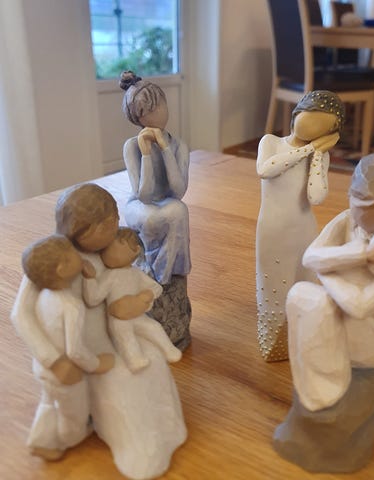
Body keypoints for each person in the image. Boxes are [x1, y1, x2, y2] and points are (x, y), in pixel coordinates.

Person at [55, 183, 187, 479]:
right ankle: (139, 445)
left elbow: (144, 285)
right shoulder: (64, 262)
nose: (116, 226)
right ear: (80, 229)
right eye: (107, 224)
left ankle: (167, 429)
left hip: (122, 327)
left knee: (155, 360)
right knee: (126, 382)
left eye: (114, 218)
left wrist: (140, 301)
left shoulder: (110, 253)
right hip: (89, 347)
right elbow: (83, 303)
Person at [286, 151, 374, 412]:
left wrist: (326, 272)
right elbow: (310, 257)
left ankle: (328, 389)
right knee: (299, 295)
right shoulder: (347, 220)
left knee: (317, 303)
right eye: (358, 208)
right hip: (338, 312)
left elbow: (360, 306)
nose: (362, 221)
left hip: (372, 333)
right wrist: (359, 253)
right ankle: (319, 385)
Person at [256, 91, 345, 361]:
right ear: (297, 113)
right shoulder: (270, 142)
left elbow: (316, 196)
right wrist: (309, 149)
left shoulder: (320, 157)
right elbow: (266, 169)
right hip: (273, 230)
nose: (315, 128)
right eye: (312, 118)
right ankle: (274, 346)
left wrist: (317, 156)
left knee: (304, 282)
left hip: (304, 230)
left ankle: (301, 339)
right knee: (273, 286)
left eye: (324, 127)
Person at [13, 235, 114, 460]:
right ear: (62, 268)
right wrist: (98, 363)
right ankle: (69, 439)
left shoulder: (43, 296)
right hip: (67, 374)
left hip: (42, 369)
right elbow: (75, 351)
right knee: (74, 413)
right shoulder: (72, 306)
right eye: (72, 254)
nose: (78, 255)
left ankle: (40, 440)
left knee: (49, 402)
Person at [120, 70, 191, 285]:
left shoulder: (179, 146)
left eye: (160, 104)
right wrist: (146, 154)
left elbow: (178, 192)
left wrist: (165, 149)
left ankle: (164, 274)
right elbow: (144, 195)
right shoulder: (132, 147)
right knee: (153, 218)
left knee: (179, 210)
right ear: (137, 117)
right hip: (140, 206)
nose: (158, 112)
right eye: (149, 110)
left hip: (166, 202)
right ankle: (153, 272)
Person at [83, 227, 182, 373]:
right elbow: (93, 298)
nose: (108, 253)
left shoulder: (136, 273)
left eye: (115, 248)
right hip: (118, 319)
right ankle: (134, 359)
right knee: (125, 337)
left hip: (137, 314)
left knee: (153, 327)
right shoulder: (110, 276)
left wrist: (147, 295)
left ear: (135, 251)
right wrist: (90, 279)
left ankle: (169, 350)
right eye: (105, 249)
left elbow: (156, 288)